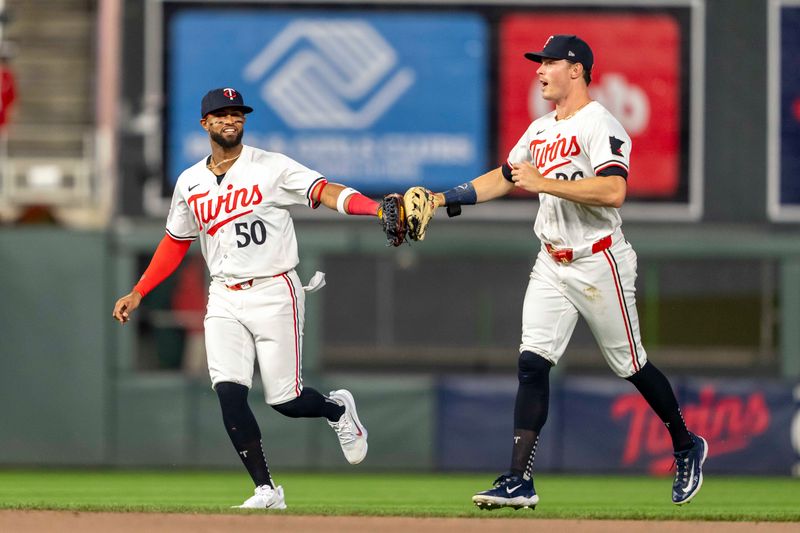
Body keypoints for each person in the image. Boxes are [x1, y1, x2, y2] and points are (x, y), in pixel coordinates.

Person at [421, 35, 707, 509]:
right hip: (551, 260)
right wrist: (441, 198)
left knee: (630, 364)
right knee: (532, 362)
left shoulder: (602, 123)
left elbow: (614, 191)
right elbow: (504, 176)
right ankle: (518, 480)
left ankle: (685, 444)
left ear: (576, 69)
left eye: (550, 62)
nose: (540, 70)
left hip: (599, 260)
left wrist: (543, 181)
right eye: (539, 62)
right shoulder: (539, 130)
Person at [113, 87, 378, 509]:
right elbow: (174, 242)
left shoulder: (270, 167)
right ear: (205, 123)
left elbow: (326, 190)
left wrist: (376, 209)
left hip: (275, 288)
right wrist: (139, 290)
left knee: (286, 402)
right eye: (221, 114)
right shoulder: (190, 182)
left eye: (237, 113)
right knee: (229, 391)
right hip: (223, 295)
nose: (230, 120)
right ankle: (266, 490)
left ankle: (336, 410)